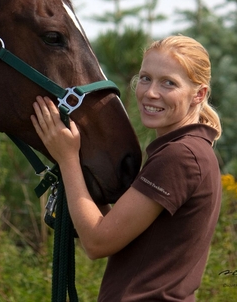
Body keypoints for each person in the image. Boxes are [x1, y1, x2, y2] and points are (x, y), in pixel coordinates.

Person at [31, 34, 222, 301]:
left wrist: (67, 159)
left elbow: (98, 242)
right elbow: (116, 227)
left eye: (168, 83)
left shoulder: (181, 156)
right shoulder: (191, 149)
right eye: (145, 78)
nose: (150, 92)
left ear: (198, 94)